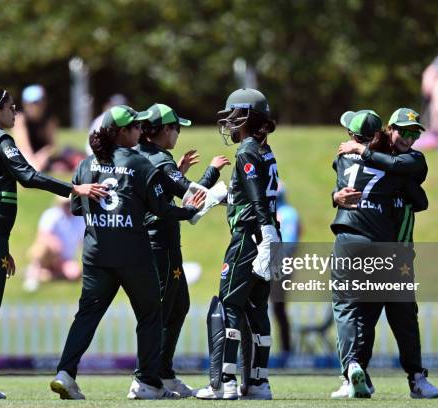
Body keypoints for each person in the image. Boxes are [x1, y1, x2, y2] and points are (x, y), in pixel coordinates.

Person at [0, 86, 107, 398]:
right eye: (11, 107)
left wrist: (3, 244)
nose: (16, 112)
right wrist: (74, 189)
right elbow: (29, 176)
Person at [49, 105, 206, 400]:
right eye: (135, 126)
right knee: (151, 314)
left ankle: (65, 374)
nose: (140, 131)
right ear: (123, 132)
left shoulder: (86, 164)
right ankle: (147, 382)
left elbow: (74, 207)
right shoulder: (139, 163)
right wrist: (189, 211)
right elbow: (161, 208)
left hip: (96, 256)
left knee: (86, 315)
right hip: (133, 255)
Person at [335, 108, 438, 399]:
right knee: (366, 315)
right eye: (403, 131)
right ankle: (359, 375)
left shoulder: (413, 160)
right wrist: (337, 196)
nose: (408, 138)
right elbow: (350, 184)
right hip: (379, 247)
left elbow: (420, 199)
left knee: (403, 315)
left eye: (414, 133)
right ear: (388, 129)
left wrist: (362, 150)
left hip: (399, 251)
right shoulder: (374, 159)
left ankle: (415, 378)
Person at [136, 103, 230, 397]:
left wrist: (178, 171)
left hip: (155, 242)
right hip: (159, 243)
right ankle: (147, 379)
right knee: (162, 311)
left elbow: (166, 189)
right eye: (176, 128)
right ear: (164, 130)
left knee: (177, 306)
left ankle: (163, 374)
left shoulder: (145, 155)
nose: (177, 134)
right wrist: (214, 174)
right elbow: (193, 197)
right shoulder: (160, 160)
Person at [195, 88, 279, 400]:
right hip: (266, 235)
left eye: (233, 115)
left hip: (249, 237)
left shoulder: (245, 150)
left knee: (228, 304)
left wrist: (265, 229)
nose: (229, 122)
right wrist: (221, 196)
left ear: (246, 116)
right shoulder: (262, 148)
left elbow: (256, 195)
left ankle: (224, 382)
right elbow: (249, 191)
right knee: (257, 308)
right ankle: (258, 383)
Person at [23, 196, 85, 292]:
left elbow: (83, 242)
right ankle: (33, 275)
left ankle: (40, 273)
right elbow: (42, 236)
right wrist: (54, 244)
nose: (68, 206)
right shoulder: (51, 214)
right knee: (41, 249)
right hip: (49, 255)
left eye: (70, 203)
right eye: (66, 204)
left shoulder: (80, 219)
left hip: (65, 259)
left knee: (74, 274)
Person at [270, 182, 301, 356]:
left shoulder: (286, 213)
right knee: (277, 309)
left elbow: (288, 243)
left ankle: (285, 349)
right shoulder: (288, 212)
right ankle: (284, 348)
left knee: (277, 308)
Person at [12, 85, 58, 171]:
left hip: (43, 157)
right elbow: (23, 147)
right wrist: (34, 162)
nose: (34, 106)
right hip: (25, 155)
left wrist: (43, 155)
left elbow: (52, 146)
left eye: (37, 102)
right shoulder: (20, 120)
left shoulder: (49, 120)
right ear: (24, 104)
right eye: (30, 103)